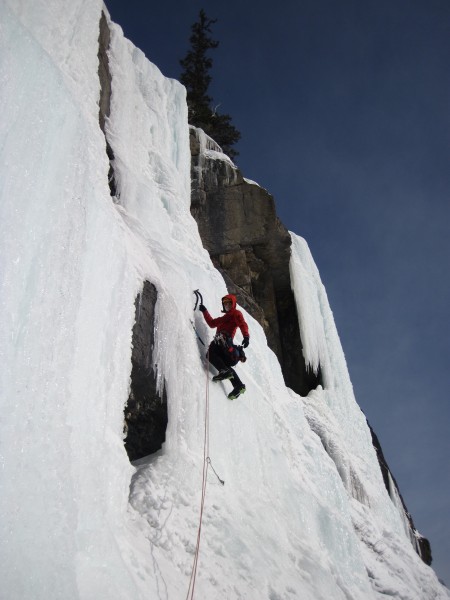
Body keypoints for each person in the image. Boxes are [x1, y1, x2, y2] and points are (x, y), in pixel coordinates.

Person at [199, 294, 249, 400]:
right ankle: (238, 385)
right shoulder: (224, 317)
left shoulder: (236, 313)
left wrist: (246, 335)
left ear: (233, 304)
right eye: (225, 303)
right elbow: (212, 323)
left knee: (210, 354)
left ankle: (224, 371)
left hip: (224, 341)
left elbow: (242, 323)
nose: (226, 305)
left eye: (228, 303)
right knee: (225, 365)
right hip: (225, 345)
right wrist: (204, 311)